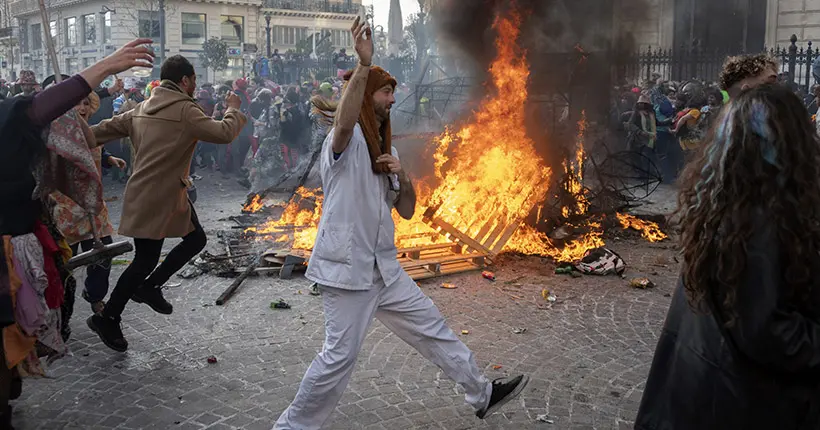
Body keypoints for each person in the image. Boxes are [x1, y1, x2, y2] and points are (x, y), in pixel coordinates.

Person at [274, 18, 529, 429]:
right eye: (386, 91)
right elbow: (342, 121)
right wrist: (363, 65)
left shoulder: (384, 150)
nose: (393, 99)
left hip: (384, 270)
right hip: (347, 271)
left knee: (432, 327)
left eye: (393, 90)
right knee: (338, 358)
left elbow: (407, 209)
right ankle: (291, 427)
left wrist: (404, 177)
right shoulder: (343, 143)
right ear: (366, 95)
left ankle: (481, 393)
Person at [636, 84, 820, 429]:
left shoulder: (717, 203)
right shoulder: (759, 221)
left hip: (696, 394)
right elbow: (767, 331)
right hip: (738, 401)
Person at [0, 38, 155, 429]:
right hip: (8, 248)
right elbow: (38, 110)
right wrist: (104, 67)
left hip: (20, 237)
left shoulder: (13, 118)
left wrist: (102, 73)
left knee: (16, 328)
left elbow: (41, 110)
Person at [87, 55, 247, 352]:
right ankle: (111, 314)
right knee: (147, 260)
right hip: (162, 196)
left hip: (152, 194)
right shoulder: (185, 110)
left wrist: (67, 128)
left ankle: (147, 288)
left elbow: (98, 132)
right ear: (184, 81)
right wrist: (232, 110)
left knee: (192, 239)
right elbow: (224, 133)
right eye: (194, 80)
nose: (195, 86)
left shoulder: (141, 108)